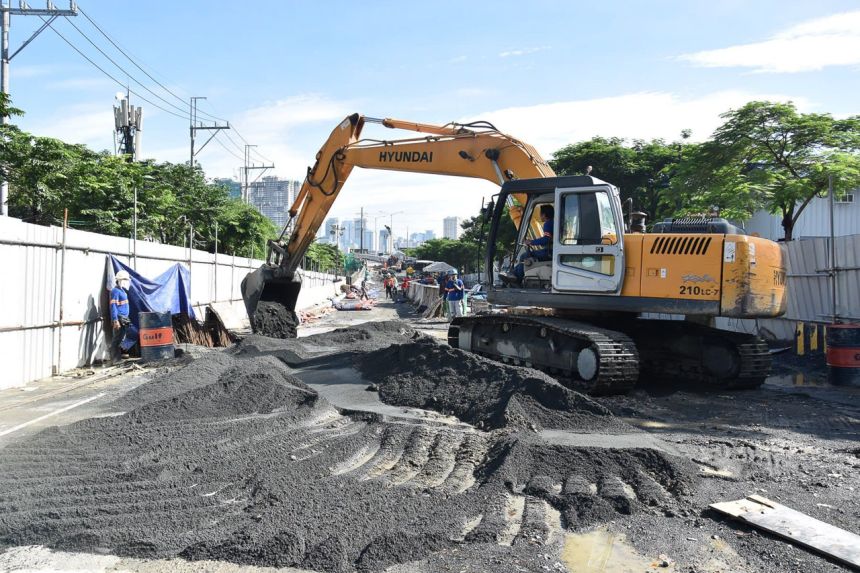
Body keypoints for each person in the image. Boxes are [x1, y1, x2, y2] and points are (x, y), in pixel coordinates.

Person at [503, 204, 554, 284]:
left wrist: (531, 242)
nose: (540, 216)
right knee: (527, 256)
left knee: (524, 256)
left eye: (540, 213)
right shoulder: (554, 222)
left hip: (549, 252)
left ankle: (516, 278)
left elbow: (546, 239)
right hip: (551, 250)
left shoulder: (548, 224)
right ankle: (514, 274)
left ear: (544, 215)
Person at [109, 269, 132, 364]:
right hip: (119, 318)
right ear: (119, 280)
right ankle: (115, 359)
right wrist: (115, 320)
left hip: (124, 318)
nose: (127, 282)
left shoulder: (122, 291)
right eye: (125, 280)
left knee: (121, 338)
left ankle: (118, 358)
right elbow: (113, 306)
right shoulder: (115, 291)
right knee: (117, 339)